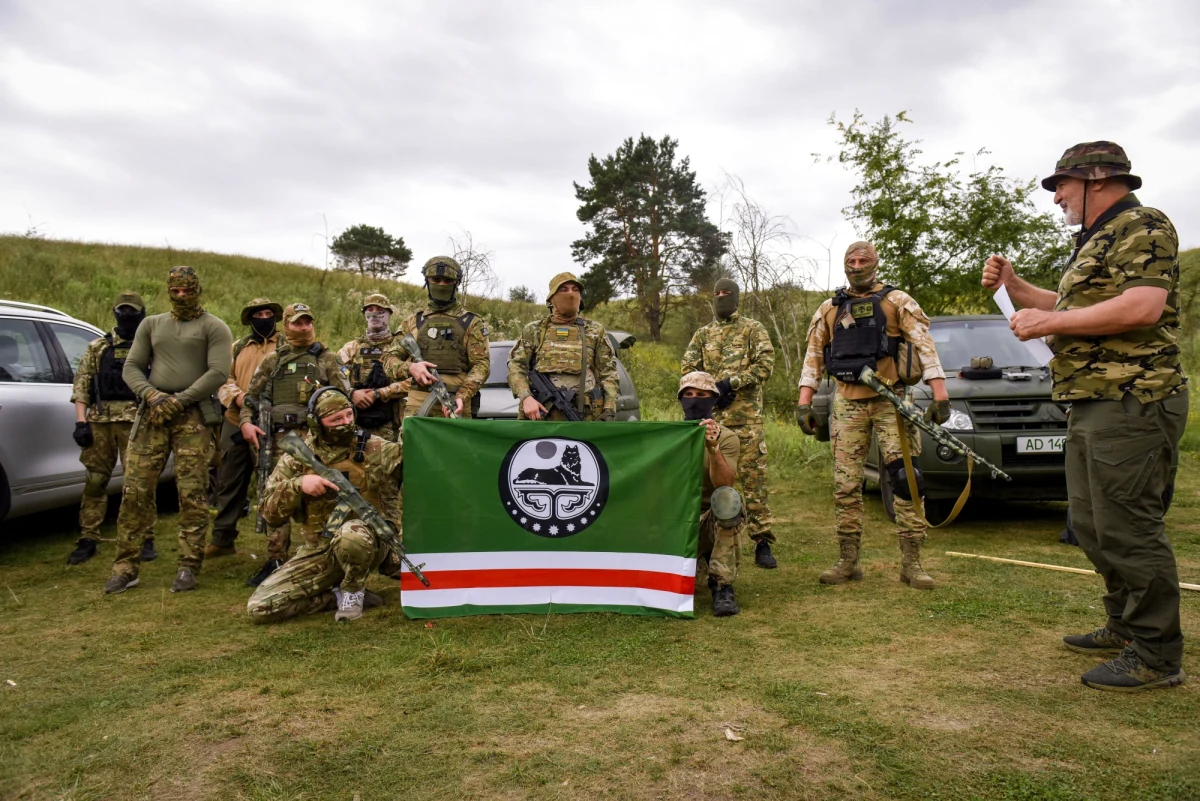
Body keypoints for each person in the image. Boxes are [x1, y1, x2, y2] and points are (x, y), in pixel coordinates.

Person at [982, 141, 1188, 691]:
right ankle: (1125, 627)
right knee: (1093, 525)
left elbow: (1141, 307)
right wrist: (1015, 288)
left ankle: (1155, 654)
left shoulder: (1143, 225)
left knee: (1129, 527)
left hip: (1134, 398)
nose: (1056, 200)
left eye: (1061, 187)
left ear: (1096, 179)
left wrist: (1048, 327)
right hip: (1092, 399)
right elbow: (1071, 306)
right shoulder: (1095, 240)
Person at [796, 242, 949, 589]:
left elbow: (925, 349)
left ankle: (912, 564)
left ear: (876, 263)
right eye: (851, 260)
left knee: (906, 481)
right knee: (846, 485)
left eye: (864, 259)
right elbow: (813, 359)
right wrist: (804, 403)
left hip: (891, 403)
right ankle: (848, 561)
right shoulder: (829, 309)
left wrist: (940, 395)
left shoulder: (897, 301)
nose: (857, 264)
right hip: (847, 405)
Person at [103, 266, 232, 594]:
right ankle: (125, 565)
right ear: (168, 291)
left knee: (192, 492)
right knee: (135, 489)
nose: (181, 296)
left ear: (197, 290)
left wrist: (181, 399)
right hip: (153, 414)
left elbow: (218, 372)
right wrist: (152, 395)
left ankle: (189, 564)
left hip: (194, 416)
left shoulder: (214, 326)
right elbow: (132, 367)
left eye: (187, 291)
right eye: (175, 291)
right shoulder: (152, 324)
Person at [246, 387, 405, 623]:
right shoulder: (297, 457)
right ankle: (335, 597)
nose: (346, 423)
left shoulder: (375, 447)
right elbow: (269, 513)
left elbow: (416, 460)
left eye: (349, 415)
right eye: (336, 419)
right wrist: (299, 485)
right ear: (316, 423)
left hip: (369, 543)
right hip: (320, 549)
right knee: (260, 608)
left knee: (352, 534)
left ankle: (353, 593)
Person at [238, 302, 350, 587]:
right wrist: (246, 422)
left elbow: (343, 397)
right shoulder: (273, 361)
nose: (304, 328)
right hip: (278, 441)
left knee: (323, 497)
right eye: (297, 323)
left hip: (317, 442)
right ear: (285, 325)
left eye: (307, 322)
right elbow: (251, 397)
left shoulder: (327, 358)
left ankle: (325, 556)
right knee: (277, 495)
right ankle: (276, 558)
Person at [680, 278, 778, 569]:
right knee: (707, 481)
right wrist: (709, 390)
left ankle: (762, 540)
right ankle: (707, 542)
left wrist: (731, 383)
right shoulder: (702, 334)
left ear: (736, 298)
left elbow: (765, 364)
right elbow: (687, 370)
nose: (722, 297)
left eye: (727, 293)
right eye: (718, 293)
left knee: (753, 480)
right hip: (709, 420)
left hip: (746, 420)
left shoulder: (752, 328)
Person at [66, 291, 156, 565]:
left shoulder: (151, 347)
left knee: (139, 484)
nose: (127, 316)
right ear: (115, 312)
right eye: (122, 310)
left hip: (138, 424)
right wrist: (81, 422)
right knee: (95, 480)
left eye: (132, 311)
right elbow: (82, 386)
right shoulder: (98, 347)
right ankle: (89, 536)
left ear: (142, 314)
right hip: (101, 423)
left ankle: (146, 536)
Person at [207, 297, 282, 557]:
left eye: (267, 313)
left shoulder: (285, 344)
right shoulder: (238, 347)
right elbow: (222, 377)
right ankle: (222, 538)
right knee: (229, 481)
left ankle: (276, 548)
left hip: (271, 424)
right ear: (250, 319)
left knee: (271, 482)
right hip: (234, 421)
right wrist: (239, 397)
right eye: (258, 315)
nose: (264, 318)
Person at [384, 258, 490, 419]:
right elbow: (388, 359)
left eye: (447, 280)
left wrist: (463, 395)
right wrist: (411, 368)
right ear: (427, 281)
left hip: (456, 405)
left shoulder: (471, 323)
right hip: (418, 406)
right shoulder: (413, 321)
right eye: (436, 280)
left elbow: (482, 365)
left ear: (456, 283)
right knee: (413, 445)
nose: (441, 284)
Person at [507, 272, 618, 422]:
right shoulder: (535, 330)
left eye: (575, 289)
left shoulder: (595, 331)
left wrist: (609, 408)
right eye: (563, 289)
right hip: (540, 416)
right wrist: (526, 397)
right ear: (552, 298)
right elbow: (516, 366)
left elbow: (609, 373)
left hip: (586, 416)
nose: (571, 294)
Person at [679, 371, 745, 617]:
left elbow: (724, 483)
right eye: (689, 394)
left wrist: (713, 448)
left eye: (702, 395)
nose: (694, 399)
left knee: (727, 499)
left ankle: (722, 585)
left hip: (708, 517)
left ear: (713, 400)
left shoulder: (726, 437)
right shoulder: (669, 435)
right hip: (676, 519)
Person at [338, 293, 410, 438]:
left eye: (379, 309)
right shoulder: (352, 348)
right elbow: (335, 376)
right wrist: (352, 393)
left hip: (392, 425)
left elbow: (412, 382)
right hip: (356, 422)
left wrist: (380, 393)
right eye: (369, 310)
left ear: (389, 314)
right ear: (364, 314)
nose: (374, 314)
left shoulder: (401, 348)